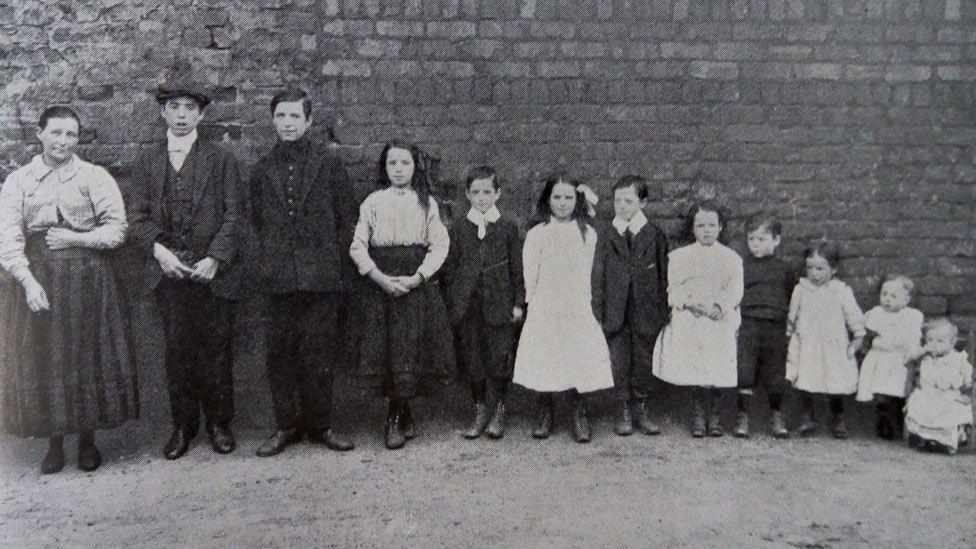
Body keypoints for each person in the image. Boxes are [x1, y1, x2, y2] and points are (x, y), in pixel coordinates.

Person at [0, 105, 138, 473]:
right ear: (40, 134)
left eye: (71, 135)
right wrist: (28, 282)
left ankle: (88, 442)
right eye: (56, 133)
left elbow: (117, 229)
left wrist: (79, 237)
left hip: (87, 279)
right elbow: (9, 237)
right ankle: (54, 444)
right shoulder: (19, 180)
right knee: (47, 357)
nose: (64, 141)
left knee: (85, 356)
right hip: (40, 277)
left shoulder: (94, 176)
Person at [127, 71, 244, 460]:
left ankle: (219, 423)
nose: (181, 115)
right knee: (178, 351)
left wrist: (215, 257)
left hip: (212, 274)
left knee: (216, 347)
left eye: (190, 108)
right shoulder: (147, 161)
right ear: (163, 112)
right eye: (174, 107)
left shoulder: (221, 158)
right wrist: (161, 253)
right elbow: (138, 218)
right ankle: (182, 426)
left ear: (201, 116)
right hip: (170, 274)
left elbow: (233, 214)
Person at [248, 88, 355, 457]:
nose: (288, 123)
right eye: (281, 116)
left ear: (308, 121)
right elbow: (254, 224)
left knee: (319, 354)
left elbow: (347, 220)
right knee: (280, 354)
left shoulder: (330, 165)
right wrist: (267, 264)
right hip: (277, 281)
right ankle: (286, 425)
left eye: (295, 117)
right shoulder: (262, 169)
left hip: (322, 280)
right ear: (273, 120)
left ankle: (320, 425)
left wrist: (333, 265)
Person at [348, 141, 455, 450]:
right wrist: (379, 277)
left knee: (408, 348)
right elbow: (357, 245)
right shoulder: (372, 202)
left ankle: (401, 411)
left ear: (414, 167)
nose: (398, 169)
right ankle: (396, 414)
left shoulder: (426, 203)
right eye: (392, 163)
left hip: (414, 283)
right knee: (387, 348)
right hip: (380, 284)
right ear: (384, 167)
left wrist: (418, 277)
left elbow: (440, 245)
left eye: (404, 163)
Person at [512, 175, 613, 443]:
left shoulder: (587, 233)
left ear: (577, 200)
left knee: (576, 355)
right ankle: (544, 409)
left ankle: (578, 411)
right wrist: (532, 305)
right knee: (546, 355)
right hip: (546, 304)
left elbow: (593, 271)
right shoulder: (537, 234)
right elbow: (529, 272)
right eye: (556, 197)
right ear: (547, 200)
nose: (563, 203)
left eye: (569, 197)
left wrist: (590, 305)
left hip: (576, 303)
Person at [442, 166, 524, 440]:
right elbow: (450, 268)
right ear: (467, 194)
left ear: (498, 193)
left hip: (499, 304)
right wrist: (455, 301)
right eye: (475, 192)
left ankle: (499, 407)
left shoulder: (508, 227)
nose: (481, 198)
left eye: (487, 192)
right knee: (472, 358)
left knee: (500, 358)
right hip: (468, 307)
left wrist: (517, 303)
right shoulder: (458, 227)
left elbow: (517, 268)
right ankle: (479, 407)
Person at [652, 202, 742, 437]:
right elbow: (673, 289)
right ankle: (698, 413)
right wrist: (688, 303)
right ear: (692, 229)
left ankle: (715, 414)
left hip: (718, 317)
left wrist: (718, 307)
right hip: (691, 315)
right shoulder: (680, 257)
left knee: (717, 362)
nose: (707, 230)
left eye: (712, 225)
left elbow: (735, 290)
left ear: (720, 227)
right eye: (701, 225)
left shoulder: (731, 259)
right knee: (695, 363)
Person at [591, 175, 669, 437]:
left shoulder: (654, 235)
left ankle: (641, 407)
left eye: (629, 200)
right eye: (617, 200)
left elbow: (663, 274)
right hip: (615, 311)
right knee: (619, 360)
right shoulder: (606, 235)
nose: (622, 206)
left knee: (643, 359)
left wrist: (661, 309)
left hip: (646, 310)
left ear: (643, 203)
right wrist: (599, 310)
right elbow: (597, 276)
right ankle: (622, 407)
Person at [785, 241, 865, 439]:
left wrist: (858, 337)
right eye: (810, 268)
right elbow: (792, 315)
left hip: (833, 345)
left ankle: (838, 417)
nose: (814, 273)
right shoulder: (801, 289)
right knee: (805, 379)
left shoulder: (841, 291)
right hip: (808, 344)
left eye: (820, 268)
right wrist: (789, 335)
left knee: (835, 381)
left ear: (834, 269)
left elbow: (853, 316)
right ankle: (807, 416)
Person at [734, 213, 797, 439]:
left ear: (776, 240)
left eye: (762, 239)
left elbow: (791, 295)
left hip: (775, 326)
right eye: (751, 239)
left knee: (775, 371)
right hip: (749, 323)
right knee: (745, 369)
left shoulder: (785, 269)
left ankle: (776, 414)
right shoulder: (742, 265)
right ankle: (742, 415)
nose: (756, 244)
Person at [855, 275, 925, 440]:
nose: (887, 299)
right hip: (880, 358)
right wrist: (870, 340)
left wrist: (912, 354)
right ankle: (883, 419)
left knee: (900, 390)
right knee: (880, 391)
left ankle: (899, 419)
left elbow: (914, 339)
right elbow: (867, 332)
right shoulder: (876, 313)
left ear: (906, 299)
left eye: (893, 296)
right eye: (884, 294)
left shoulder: (912, 316)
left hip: (900, 359)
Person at [904, 318, 973, 455]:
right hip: (927, 393)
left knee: (953, 409)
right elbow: (907, 358)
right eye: (930, 340)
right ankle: (924, 438)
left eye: (940, 341)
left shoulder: (958, 359)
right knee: (917, 402)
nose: (934, 345)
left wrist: (967, 390)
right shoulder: (925, 356)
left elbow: (968, 374)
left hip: (949, 395)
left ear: (952, 343)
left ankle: (947, 442)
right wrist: (923, 350)